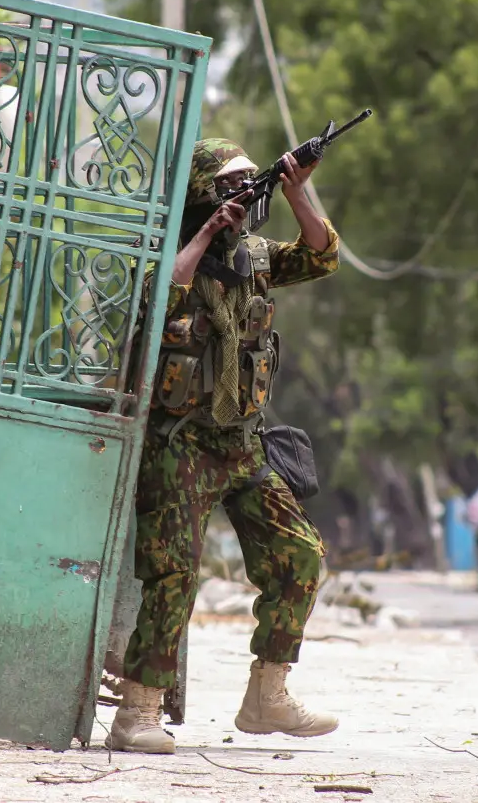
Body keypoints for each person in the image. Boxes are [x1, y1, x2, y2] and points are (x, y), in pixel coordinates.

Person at [107, 138, 341, 755]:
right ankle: (137, 714)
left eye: (249, 184)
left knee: (301, 555)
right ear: (204, 195)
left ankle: (267, 697)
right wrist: (207, 233)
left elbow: (321, 257)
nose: (243, 196)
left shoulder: (257, 257)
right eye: (230, 186)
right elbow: (162, 299)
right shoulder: (171, 254)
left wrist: (296, 188)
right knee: (173, 575)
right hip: (180, 445)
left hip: (243, 444)